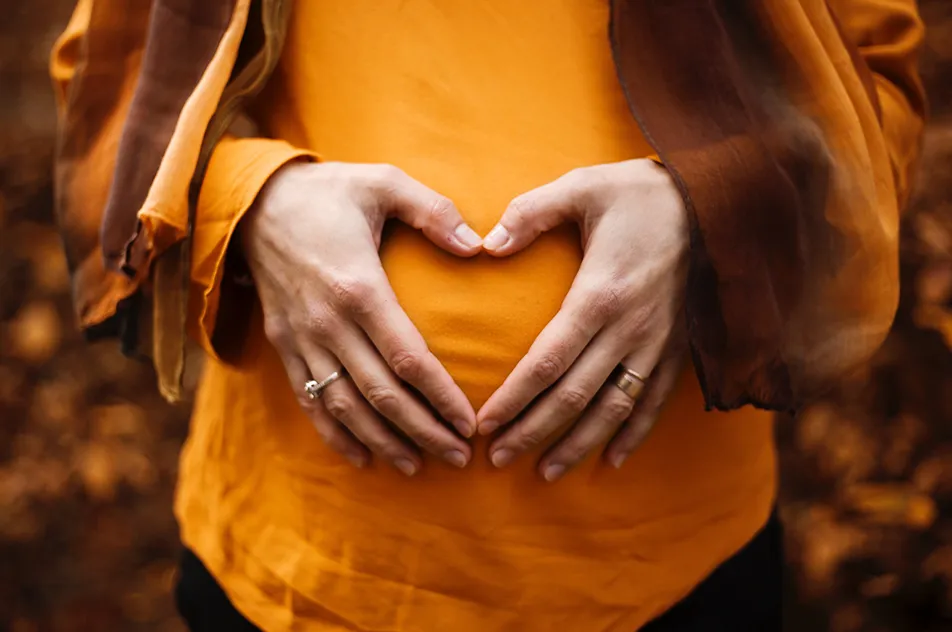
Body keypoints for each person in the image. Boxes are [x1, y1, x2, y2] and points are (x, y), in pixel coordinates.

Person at [50, 0, 925, 629]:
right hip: (297, 574)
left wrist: (708, 210)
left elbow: (873, 98)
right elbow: (112, 93)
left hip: (670, 579)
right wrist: (249, 205)